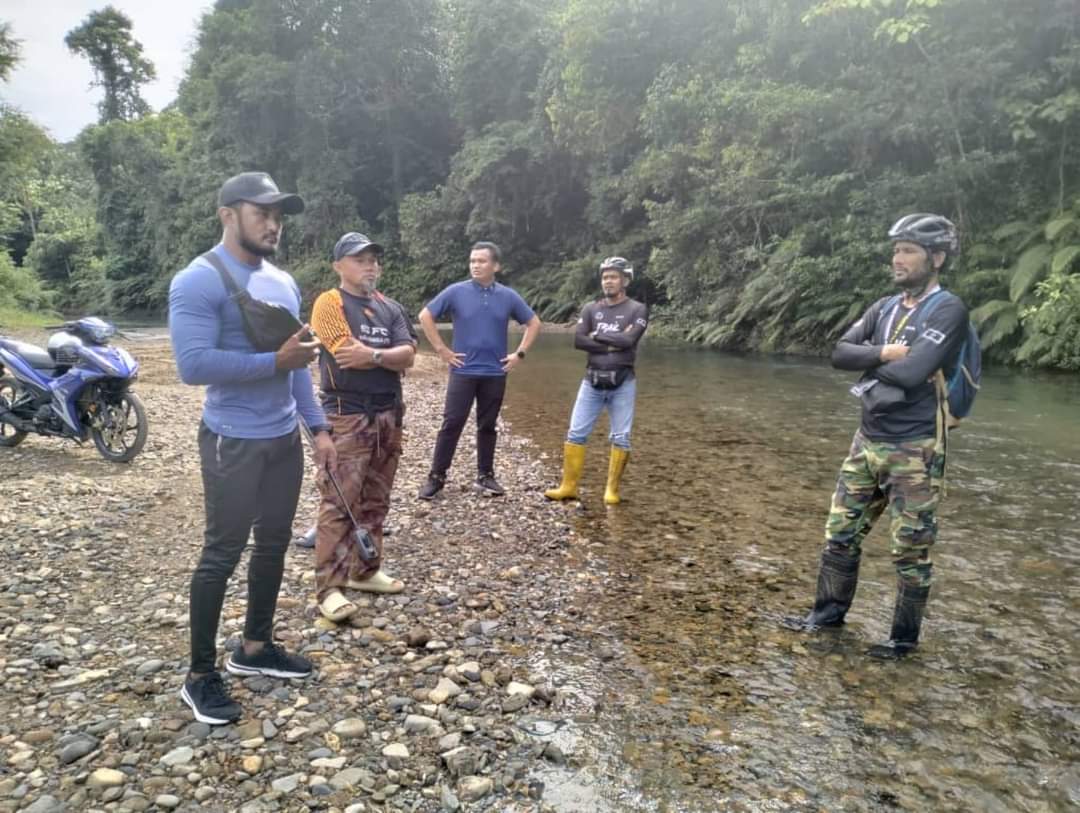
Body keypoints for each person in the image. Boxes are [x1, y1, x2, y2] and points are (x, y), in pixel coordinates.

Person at [169, 171, 336, 725]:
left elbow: (299, 365)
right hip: (232, 439)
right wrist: (273, 361)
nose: (273, 224)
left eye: (278, 215)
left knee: (273, 543)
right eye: (261, 212)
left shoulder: (283, 282)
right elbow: (193, 365)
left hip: (283, 439)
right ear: (228, 214)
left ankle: (255, 647)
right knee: (222, 552)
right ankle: (199, 676)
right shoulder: (199, 279)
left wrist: (318, 429)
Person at [784, 213, 969, 659]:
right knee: (840, 533)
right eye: (896, 250)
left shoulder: (948, 310)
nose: (897, 259)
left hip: (915, 448)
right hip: (866, 440)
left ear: (937, 258)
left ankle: (902, 642)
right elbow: (837, 353)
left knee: (910, 551)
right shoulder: (884, 307)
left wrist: (867, 360)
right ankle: (826, 617)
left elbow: (913, 373)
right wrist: (884, 352)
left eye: (908, 251)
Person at [308, 232, 416, 621]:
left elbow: (409, 355)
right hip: (347, 414)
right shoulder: (328, 302)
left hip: (389, 414)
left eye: (373, 259)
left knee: (376, 499)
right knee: (339, 502)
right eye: (360, 259)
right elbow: (343, 354)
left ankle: (365, 571)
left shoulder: (391, 307)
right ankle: (329, 588)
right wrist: (386, 356)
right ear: (339, 266)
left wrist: (372, 354)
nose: (370, 266)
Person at [417, 241, 542, 499]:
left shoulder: (508, 296)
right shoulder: (456, 291)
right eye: (472, 261)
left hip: (495, 372)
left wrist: (519, 354)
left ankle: (485, 476)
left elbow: (534, 323)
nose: (475, 265)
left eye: (482, 261)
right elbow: (425, 316)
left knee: (488, 425)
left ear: (496, 266)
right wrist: (442, 350)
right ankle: (436, 477)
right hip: (463, 371)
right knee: (452, 423)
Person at [545, 257, 649, 505]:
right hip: (591, 381)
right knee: (575, 433)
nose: (608, 281)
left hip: (623, 382)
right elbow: (579, 341)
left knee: (621, 437)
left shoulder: (637, 309)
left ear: (625, 280)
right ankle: (568, 487)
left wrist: (597, 335)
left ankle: (612, 491)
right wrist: (613, 342)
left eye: (613, 277)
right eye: (605, 277)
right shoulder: (591, 309)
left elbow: (629, 341)